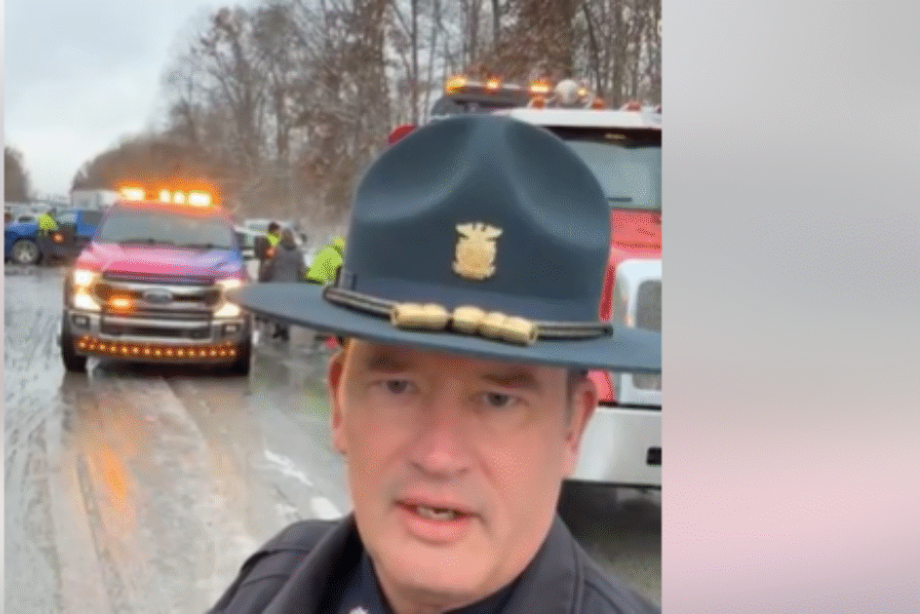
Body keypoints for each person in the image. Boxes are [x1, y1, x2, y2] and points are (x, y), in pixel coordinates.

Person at [218, 114, 661, 614]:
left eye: (498, 400)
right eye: (398, 387)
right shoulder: (266, 589)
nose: (439, 456)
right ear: (340, 402)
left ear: (572, 429)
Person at [258, 227, 308, 341]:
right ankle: (285, 328)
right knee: (288, 307)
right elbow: (302, 269)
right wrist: (302, 281)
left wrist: (263, 277)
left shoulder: (277, 249)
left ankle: (278, 327)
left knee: (276, 306)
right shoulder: (298, 252)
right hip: (292, 285)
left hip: (277, 284)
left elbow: (268, 265)